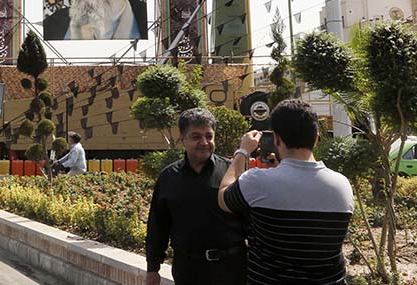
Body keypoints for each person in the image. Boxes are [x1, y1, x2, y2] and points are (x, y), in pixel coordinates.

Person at [218, 99, 354, 284]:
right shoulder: (342, 185)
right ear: (316, 137)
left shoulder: (257, 182)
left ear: (276, 139)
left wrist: (242, 151)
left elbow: (224, 197)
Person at [145, 108, 246, 285]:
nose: (204, 142)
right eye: (196, 136)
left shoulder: (232, 172)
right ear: (182, 140)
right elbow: (158, 226)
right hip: (188, 270)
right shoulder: (168, 177)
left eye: (209, 136)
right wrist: (153, 269)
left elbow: (250, 219)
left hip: (231, 269)